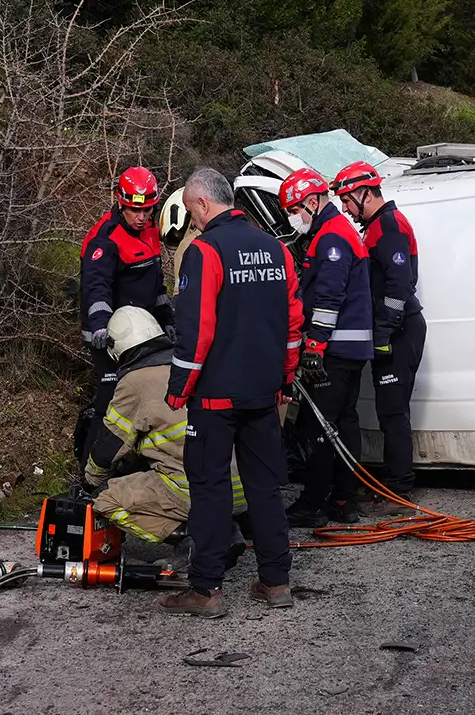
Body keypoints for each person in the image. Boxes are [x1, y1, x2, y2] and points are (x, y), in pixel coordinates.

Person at [160, 167, 304, 618]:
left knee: (210, 488)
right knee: (265, 487)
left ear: (203, 204)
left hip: (215, 397)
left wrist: (178, 388)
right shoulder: (276, 250)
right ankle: (276, 581)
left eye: (190, 210)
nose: (192, 220)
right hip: (264, 393)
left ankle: (205, 589)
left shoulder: (205, 251)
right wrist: (284, 378)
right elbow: (293, 323)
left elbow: (196, 327)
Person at [85, 306, 247, 569]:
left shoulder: (135, 381)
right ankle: (225, 527)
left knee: (106, 498)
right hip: (240, 488)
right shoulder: (191, 364)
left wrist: (91, 480)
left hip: (198, 492)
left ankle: (193, 538)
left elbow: (109, 448)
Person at [278, 167, 374, 528]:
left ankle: (312, 502)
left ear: (313, 202)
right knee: (345, 422)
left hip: (335, 349)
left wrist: (314, 345)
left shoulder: (332, 237)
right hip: (351, 350)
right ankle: (344, 497)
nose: (293, 218)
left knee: (314, 425)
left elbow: (329, 298)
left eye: (294, 210)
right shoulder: (336, 231)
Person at [331, 161, 427, 517]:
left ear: (364, 193)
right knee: (390, 412)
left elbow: (399, 284)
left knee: (393, 413)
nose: (344, 207)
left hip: (400, 331)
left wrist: (385, 330)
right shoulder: (378, 226)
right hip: (395, 328)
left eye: (346, 199)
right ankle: (393, 485)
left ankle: (400, 492)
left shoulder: (388, 225)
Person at [73, 166, 173, 464]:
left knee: (148, 397)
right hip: (111, 337)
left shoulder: (150, 232)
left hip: (145, 333)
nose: (141, 217)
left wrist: (166, 320)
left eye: (147, 210)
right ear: (120, 202)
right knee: (110, 403)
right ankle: (89, 472)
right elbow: (96, 288)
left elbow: (156, 285)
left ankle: (135, 462)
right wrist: (101, 328)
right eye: (134, 210)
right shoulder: (105, 238)